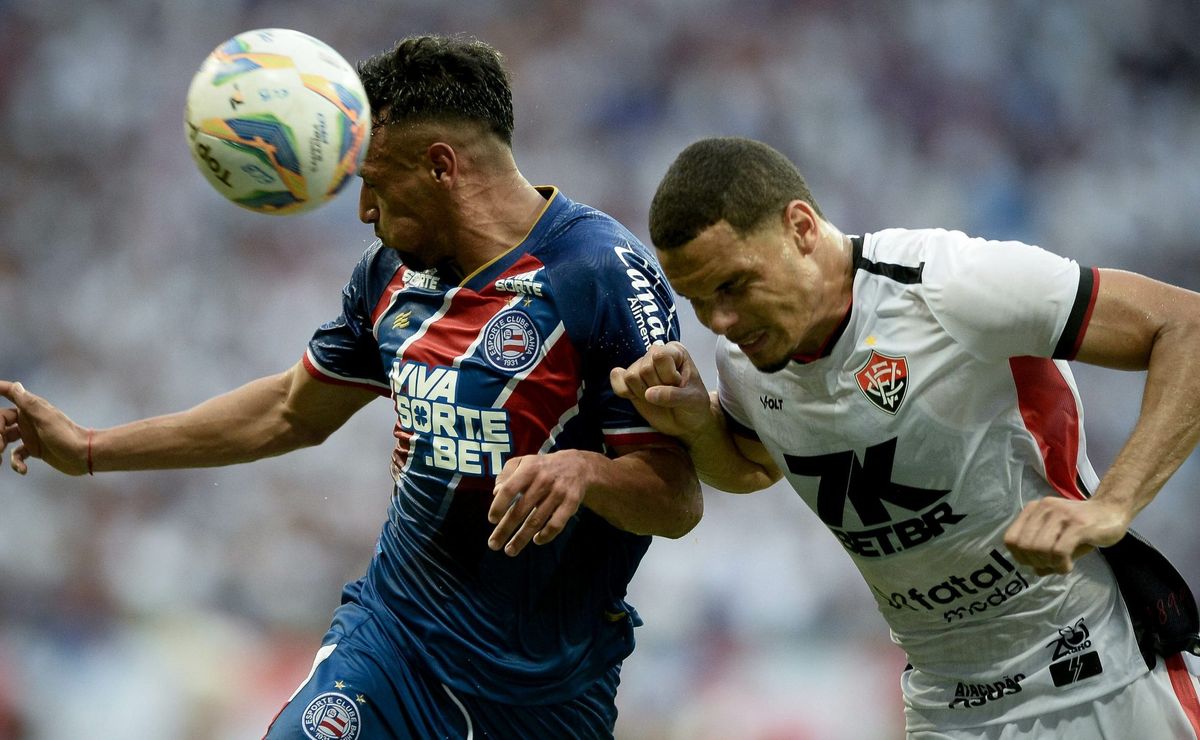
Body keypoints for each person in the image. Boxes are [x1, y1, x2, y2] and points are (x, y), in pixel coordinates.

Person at [0, 35, 701, 739]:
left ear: (440, 167)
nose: (364, 209)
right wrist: (88, 448)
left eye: (374, 181)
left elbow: (676, 498)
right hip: (394, 649)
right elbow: (289, 411)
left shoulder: (599, 273)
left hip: (549, 694)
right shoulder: (387, 276)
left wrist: (584, 471)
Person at [610, 136, 1200, 738]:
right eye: (698, 301)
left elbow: (1187, 327)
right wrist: (699, 425)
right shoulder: (745, 359)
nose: (720, 321)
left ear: (801, 228)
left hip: (1102, 676)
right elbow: (752, 467)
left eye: (734, 286)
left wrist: (1111, 505)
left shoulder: (948, 283)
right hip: (948, 707)